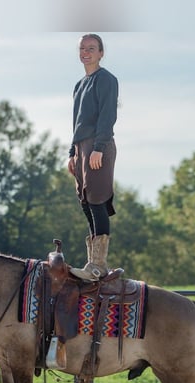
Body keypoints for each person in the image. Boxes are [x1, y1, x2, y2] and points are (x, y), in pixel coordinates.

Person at [67, 33, 119, 281]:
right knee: (86, 201)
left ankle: (99, 265)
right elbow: (76, 121)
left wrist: (99, 147)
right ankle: (92, 264)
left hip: (99, 145)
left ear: (101, 53)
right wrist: (72, 153)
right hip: (81, 148)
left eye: (91, 48)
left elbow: (107, 115)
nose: (85, 52)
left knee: (97, 200)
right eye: (82, 48)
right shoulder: (79, 85)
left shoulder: (106, 79)